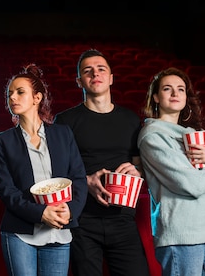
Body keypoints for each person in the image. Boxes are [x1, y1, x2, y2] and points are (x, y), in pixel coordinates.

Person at [53, 49, 150, 276]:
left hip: (123, 218)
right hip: (83, 220)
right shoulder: (65, 121)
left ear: (111, 78)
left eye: (101, 69)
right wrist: (85, 181)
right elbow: (55, 172)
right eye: (87, 71)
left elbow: (140, 165)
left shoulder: (130, 119)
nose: (95, 73)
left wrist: (137, 171)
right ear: (80, 81)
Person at [138, 67, 205, 275]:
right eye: (168, 89)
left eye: (181, 89)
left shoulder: (202, 136)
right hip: (180, 233)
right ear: (156, 97)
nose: (176, 94)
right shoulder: (152, 136)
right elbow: (189, 184)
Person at [0, 64, 88, 276]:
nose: (13, 98)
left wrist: (70, 211)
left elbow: (79, 179)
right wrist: (41, 213)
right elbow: (6, 190)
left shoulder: (63, 134)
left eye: (20, 92)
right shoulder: (2, 141)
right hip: (20, 232)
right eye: (10, 94)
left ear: (37, 98)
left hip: (59, 231)